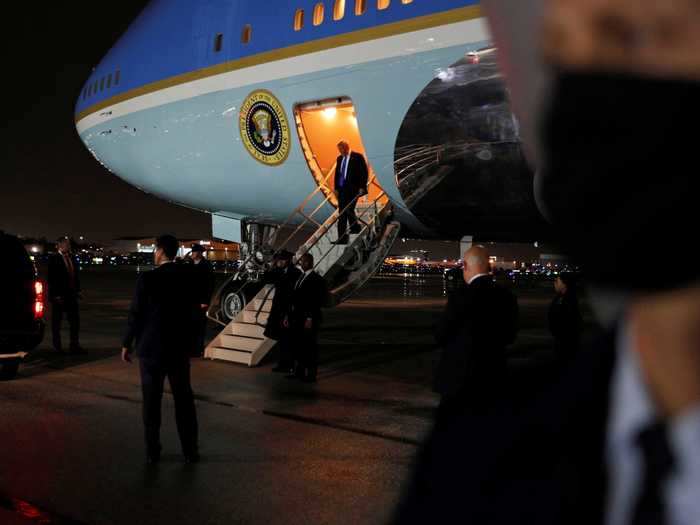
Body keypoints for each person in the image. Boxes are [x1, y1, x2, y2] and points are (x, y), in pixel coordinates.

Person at [121, 234, 200, 464]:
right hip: (178, 350)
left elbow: (135, 315)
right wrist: (194, 345)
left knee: (151, 402)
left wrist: (127, 343)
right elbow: (194, 315)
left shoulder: (147, 279)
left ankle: (153, 451)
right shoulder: (187, 278)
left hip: (151, 349)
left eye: (155, 249)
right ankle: (190, 450)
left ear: (161, 251)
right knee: (184, 401)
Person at [433, 245, 519, 417]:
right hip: (493, 377)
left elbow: (441, 334)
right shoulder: (506, 296)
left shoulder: (460, 295)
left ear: (465, 266)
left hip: (459, 379)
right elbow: (510, 336)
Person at [285, 253, 327, 383]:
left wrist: (309, 318)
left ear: (308, 263)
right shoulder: (301, 277)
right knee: (298, 345)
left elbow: (315, 301)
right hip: (297, 317)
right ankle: (300, 372)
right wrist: (288, 315)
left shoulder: (316, 280)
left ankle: (311, 374)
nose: (299, 263)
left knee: (310, 347)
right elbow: (295, 298)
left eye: (301, 261)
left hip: (308, 319)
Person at [263, 250, 302, 373]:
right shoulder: (279, 271)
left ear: (288, 260)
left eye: (282, 259)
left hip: (288, 309)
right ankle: (283, 363)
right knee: (281, 339)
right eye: (279, 259)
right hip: (278, 309)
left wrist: (288, 314)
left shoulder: (295, 273)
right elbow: (266, 278)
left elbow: (293, 294)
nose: (280, 261)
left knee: (288, 339)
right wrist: (272, 265)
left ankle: (290, 364)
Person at [47, 236, 83, 353]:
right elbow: (51, 278)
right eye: (66, 244)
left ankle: (74, 345)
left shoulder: (72, 258)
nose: (69, 246)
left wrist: (78, 291)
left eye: (69, 244)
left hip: (71, 296)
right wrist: (55, 295)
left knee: (75, 323)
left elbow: (75, 276)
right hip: (59, 297)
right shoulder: (54, 258)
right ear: (60, 245)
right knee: (57, 324)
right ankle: (57, 347)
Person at [332, 140, 368, 245]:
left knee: (346, 210)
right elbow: (337, 174)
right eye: (339, 150)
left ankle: (347, 234)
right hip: (342, 189)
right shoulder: (339, 158)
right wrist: (336, 188)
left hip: (354, 189)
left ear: (346, 147)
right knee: (344, 212)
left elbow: (363, 172)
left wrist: (362, 186)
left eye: (341, 149)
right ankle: (354, 228)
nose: (340, 152)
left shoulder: (357, 157)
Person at [548, 271, 582, 363]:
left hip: (565, 341)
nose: (554, 283)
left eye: (557, 281)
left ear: (564, 284)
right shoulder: (560, 297)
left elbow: (568, 320)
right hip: (560, 338)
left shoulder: (568, 299)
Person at [189, 243, 215, 356]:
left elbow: (209, 285)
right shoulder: (190, 264)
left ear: (199, 253)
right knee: (190, 325)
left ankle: (198, 349)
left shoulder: (206, 265)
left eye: (194, 252)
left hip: (200, 301)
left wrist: (205, 301)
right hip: (190, 300)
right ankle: (191, 348)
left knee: (199, 326)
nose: (192, 254)